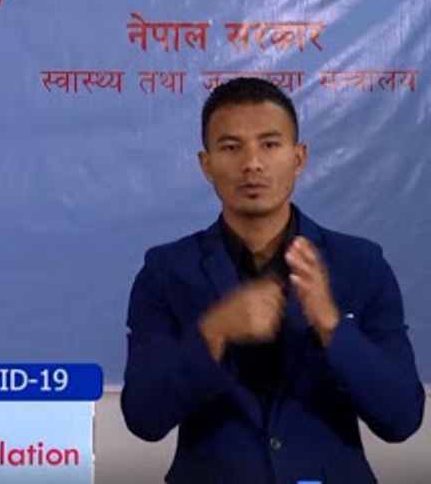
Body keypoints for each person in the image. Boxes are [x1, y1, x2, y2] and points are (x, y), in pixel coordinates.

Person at [121, 77, 423, 483]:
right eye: (231, 147)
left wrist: (332, 326)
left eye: (269, 144)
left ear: (298, 158)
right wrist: (213, 331)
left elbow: (402, 418)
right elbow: (144, 418)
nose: (252, 164)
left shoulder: (361, 264)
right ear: (206, 164)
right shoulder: (166, 271)